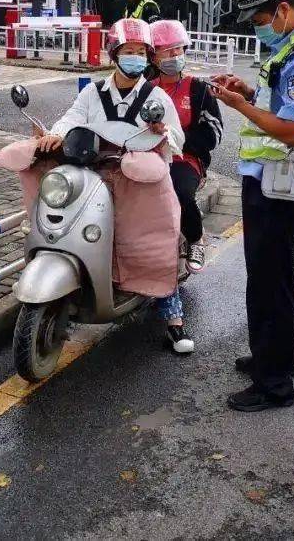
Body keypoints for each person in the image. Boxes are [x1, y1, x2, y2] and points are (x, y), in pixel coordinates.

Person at [210, 0, 294, 412]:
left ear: (283, 10)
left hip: (279, 184)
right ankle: (279, 358)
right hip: (274, 179)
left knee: (267, 280)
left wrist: (241, 106)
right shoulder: (292, 50)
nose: (258, 28)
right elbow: (280, 104)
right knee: (276, 276)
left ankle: (273, 384)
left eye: (260, 20)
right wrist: (247, 92)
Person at [37, 18, 194, 354]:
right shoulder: (93, 92)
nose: (135, 57)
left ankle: (173, 315)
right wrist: (55, 133)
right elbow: (72, 118)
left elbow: (178, 136)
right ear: (114, 54)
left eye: (141, 52)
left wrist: (164, 132)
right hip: (97, 174)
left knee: (155, 239)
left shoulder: (156, 96)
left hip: (142, 180)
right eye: (128, 51)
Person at [149, 19, 224, 273]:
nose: (174, 55)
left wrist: (177, 138)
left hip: (186, 159)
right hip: (150, 157)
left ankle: (195, 238)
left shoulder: (199, 90)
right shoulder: (146, 90)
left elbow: (214, 133)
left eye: (178, 49)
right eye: (167, 50)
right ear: (153, 55)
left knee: (179, 191)